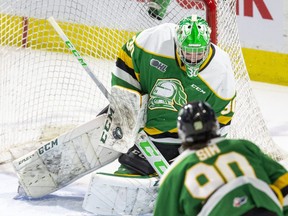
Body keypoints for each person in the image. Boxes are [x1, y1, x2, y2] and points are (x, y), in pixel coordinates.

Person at [111, 14, 236, 176]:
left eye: (198, 52)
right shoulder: (154, 41)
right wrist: (126, 100)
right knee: (125, 175)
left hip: (182, 138)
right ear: (177, 43)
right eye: (188, 51)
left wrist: (198, 154)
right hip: (145, 127)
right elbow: (127, 58)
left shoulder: (221, 72)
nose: (192, 57)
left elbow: (222, 122)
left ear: (208, 47)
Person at [154, 101, 288, 216]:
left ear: (182, 132)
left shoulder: (174, 173)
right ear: (215, 125)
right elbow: (284, 183)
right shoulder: (242, 147)